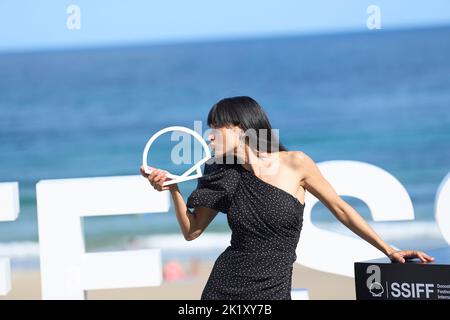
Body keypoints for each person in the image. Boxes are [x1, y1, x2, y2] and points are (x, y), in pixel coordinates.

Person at [140, 96, 434, 300]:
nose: (209, 136)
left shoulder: (296, 163)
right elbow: (192, 231)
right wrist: (173, 189)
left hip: (274, 287)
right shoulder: (220, 173)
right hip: (225, 285)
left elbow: (341, 210)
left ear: (241, 129)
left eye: (216, 128)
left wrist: (388, 250)